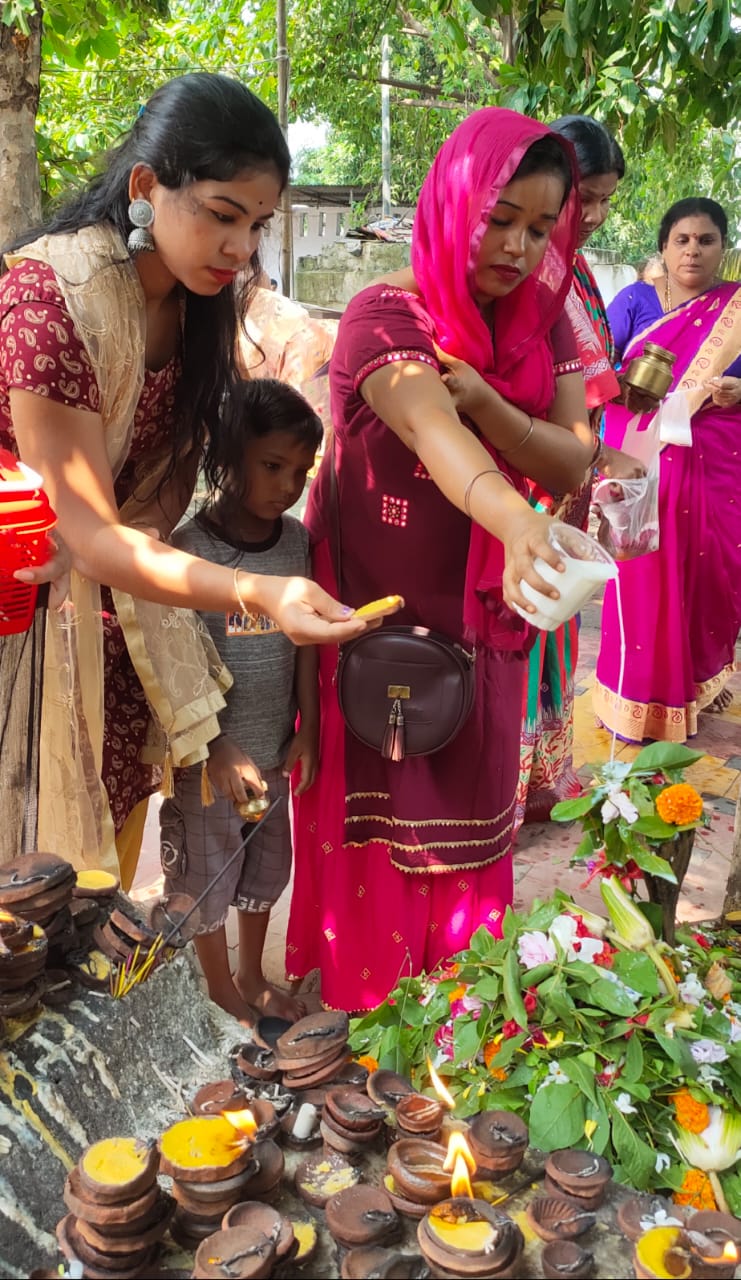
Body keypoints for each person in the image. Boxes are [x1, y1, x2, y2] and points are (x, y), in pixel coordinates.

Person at [0, 72, 378, 881]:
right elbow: (87, 531)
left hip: (112, 626)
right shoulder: (51, 299)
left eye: (258, 224)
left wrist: (136, 556)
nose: (241, 248)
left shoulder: (194, 302)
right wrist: (258, 592)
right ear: (146, 188)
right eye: (222, 214)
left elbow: (156, 493)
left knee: (97, 875)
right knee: (27, 881)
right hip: (22, 619)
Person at [286, 107, 596, 1013]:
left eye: (539, 228)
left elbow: (573, 457)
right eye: (499, 218)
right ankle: (368, 1008)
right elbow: (432, 430)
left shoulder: (543, 321)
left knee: (471, 804)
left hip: (486, 615)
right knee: (381, 800)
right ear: (454, 201)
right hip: (381, 615)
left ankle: (458, 1013)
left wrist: (493, 408)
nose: (516, 247)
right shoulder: (385, 316)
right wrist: (515, 517)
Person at [160, 379, 320, 1023]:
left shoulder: (295, 543)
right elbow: (176, 660)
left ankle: (251, 976)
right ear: (229, 457)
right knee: (208, 875)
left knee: (264, 868)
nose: (288, 485)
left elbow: (304, 644)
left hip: (274, 751)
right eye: (272, 466)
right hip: (209, 765)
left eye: (301, 471)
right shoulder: (189, 550)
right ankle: (218, 987)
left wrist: (307, 726)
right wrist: (215, 744)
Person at [502, 115, 645, 827]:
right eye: (583, 197)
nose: (590, 215)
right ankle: (504, 783)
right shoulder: (525, 269)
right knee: (522, 620)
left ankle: (536, 779)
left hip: (566, 475)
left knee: (554, 624)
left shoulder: (576, 271)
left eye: (604, 202)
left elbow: (589, 383)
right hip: (521, 482)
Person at [594, 197, 741, 741]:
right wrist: (631, 386)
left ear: (723, 248)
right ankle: (634, 694)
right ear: (663, 247)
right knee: (640, 570)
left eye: (706, 240)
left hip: (715, 463)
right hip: (639, 457)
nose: (693, 251)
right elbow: (595, 369)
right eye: (682, 240)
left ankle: (698, 679)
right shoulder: (635, 300)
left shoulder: (736, 307)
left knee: (709, 571)